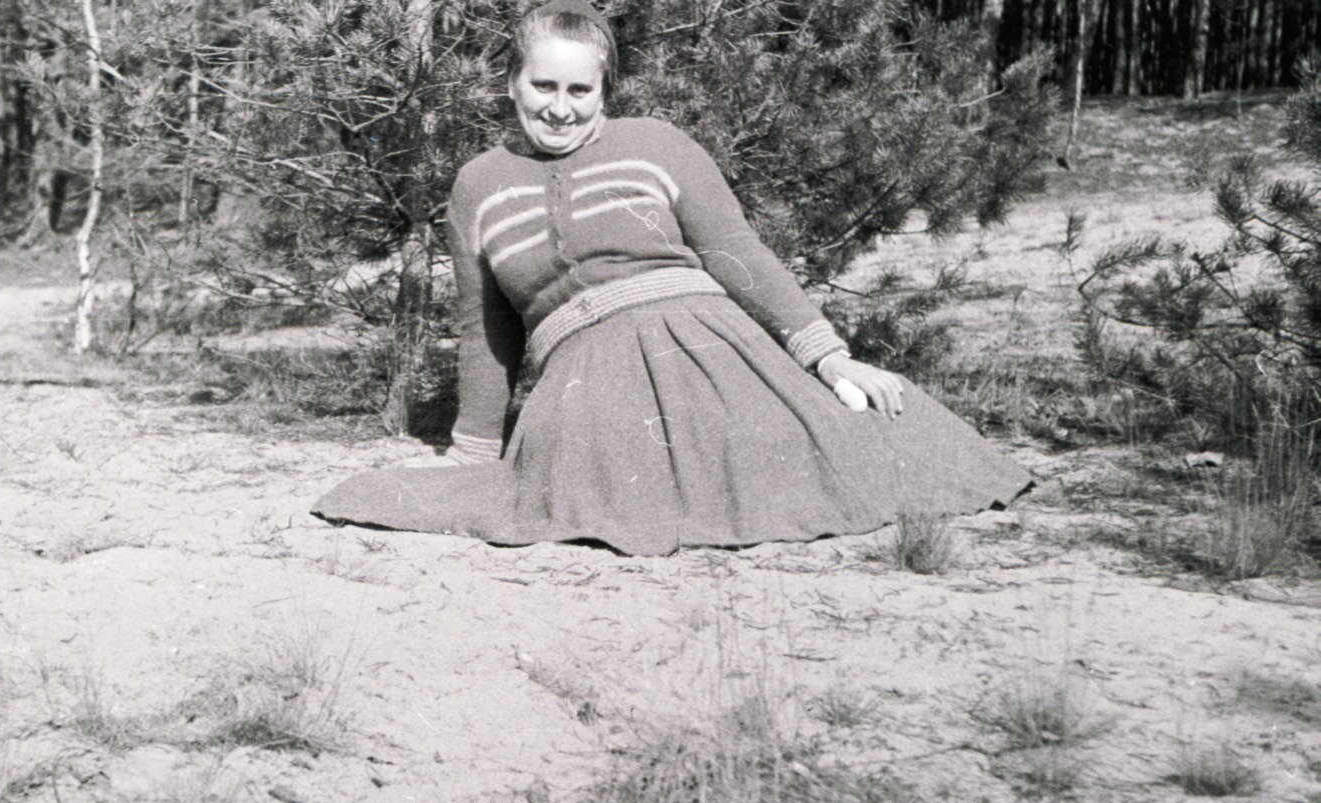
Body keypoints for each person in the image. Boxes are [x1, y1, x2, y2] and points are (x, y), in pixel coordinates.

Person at [313, 0, 1031, 557]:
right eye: (542, 85)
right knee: (597, 478)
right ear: (510, 82)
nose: (558, 107)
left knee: (833, 447)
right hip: (582, 378)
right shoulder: (477, 185)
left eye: (579, 89)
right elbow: (486, 330)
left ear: (604, 90)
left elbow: (736, 253)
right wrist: (472, 452)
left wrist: (828, 354)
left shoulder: (656, 144)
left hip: (711, 350)